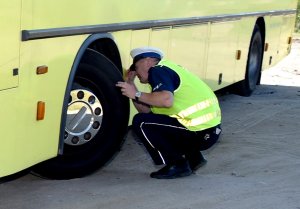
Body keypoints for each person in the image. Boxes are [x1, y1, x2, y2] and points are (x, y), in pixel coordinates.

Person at [116, 47, 222, 179]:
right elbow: (147, 112)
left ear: (147, 61)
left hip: (200, 132)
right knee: (146, 121)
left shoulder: (157, 70)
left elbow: (166, 101)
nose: (136, 72)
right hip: (208, 131)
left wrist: (136, 94)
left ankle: (177, 164)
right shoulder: (166, 73)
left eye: (136, 67)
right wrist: (131, 85)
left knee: (140, 122)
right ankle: (194, 159)